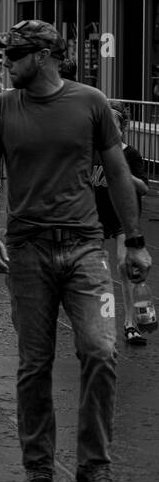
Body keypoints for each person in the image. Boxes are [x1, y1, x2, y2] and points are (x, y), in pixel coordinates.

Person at [0, 20, 152, 482]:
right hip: (26, 251)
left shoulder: (89, 102)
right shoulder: (2, 109)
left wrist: (135, 243)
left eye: (14, 56)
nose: (5, 64)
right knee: (35, 364)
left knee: (99, 352)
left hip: (85, 247)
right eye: (3, 56)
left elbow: (117, 175)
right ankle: (38, 470)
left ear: (44, 55)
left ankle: (94, 467)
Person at [91, 102, 150, 345]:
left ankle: (130, 324)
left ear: (122, 127)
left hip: (123, 218)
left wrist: (121, 169)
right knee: (95, 272)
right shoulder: (92, 152)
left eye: (113, 124)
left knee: (125, 267)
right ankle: (98, 323)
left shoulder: (131, 154)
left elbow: (144, 187)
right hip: (95, 217)